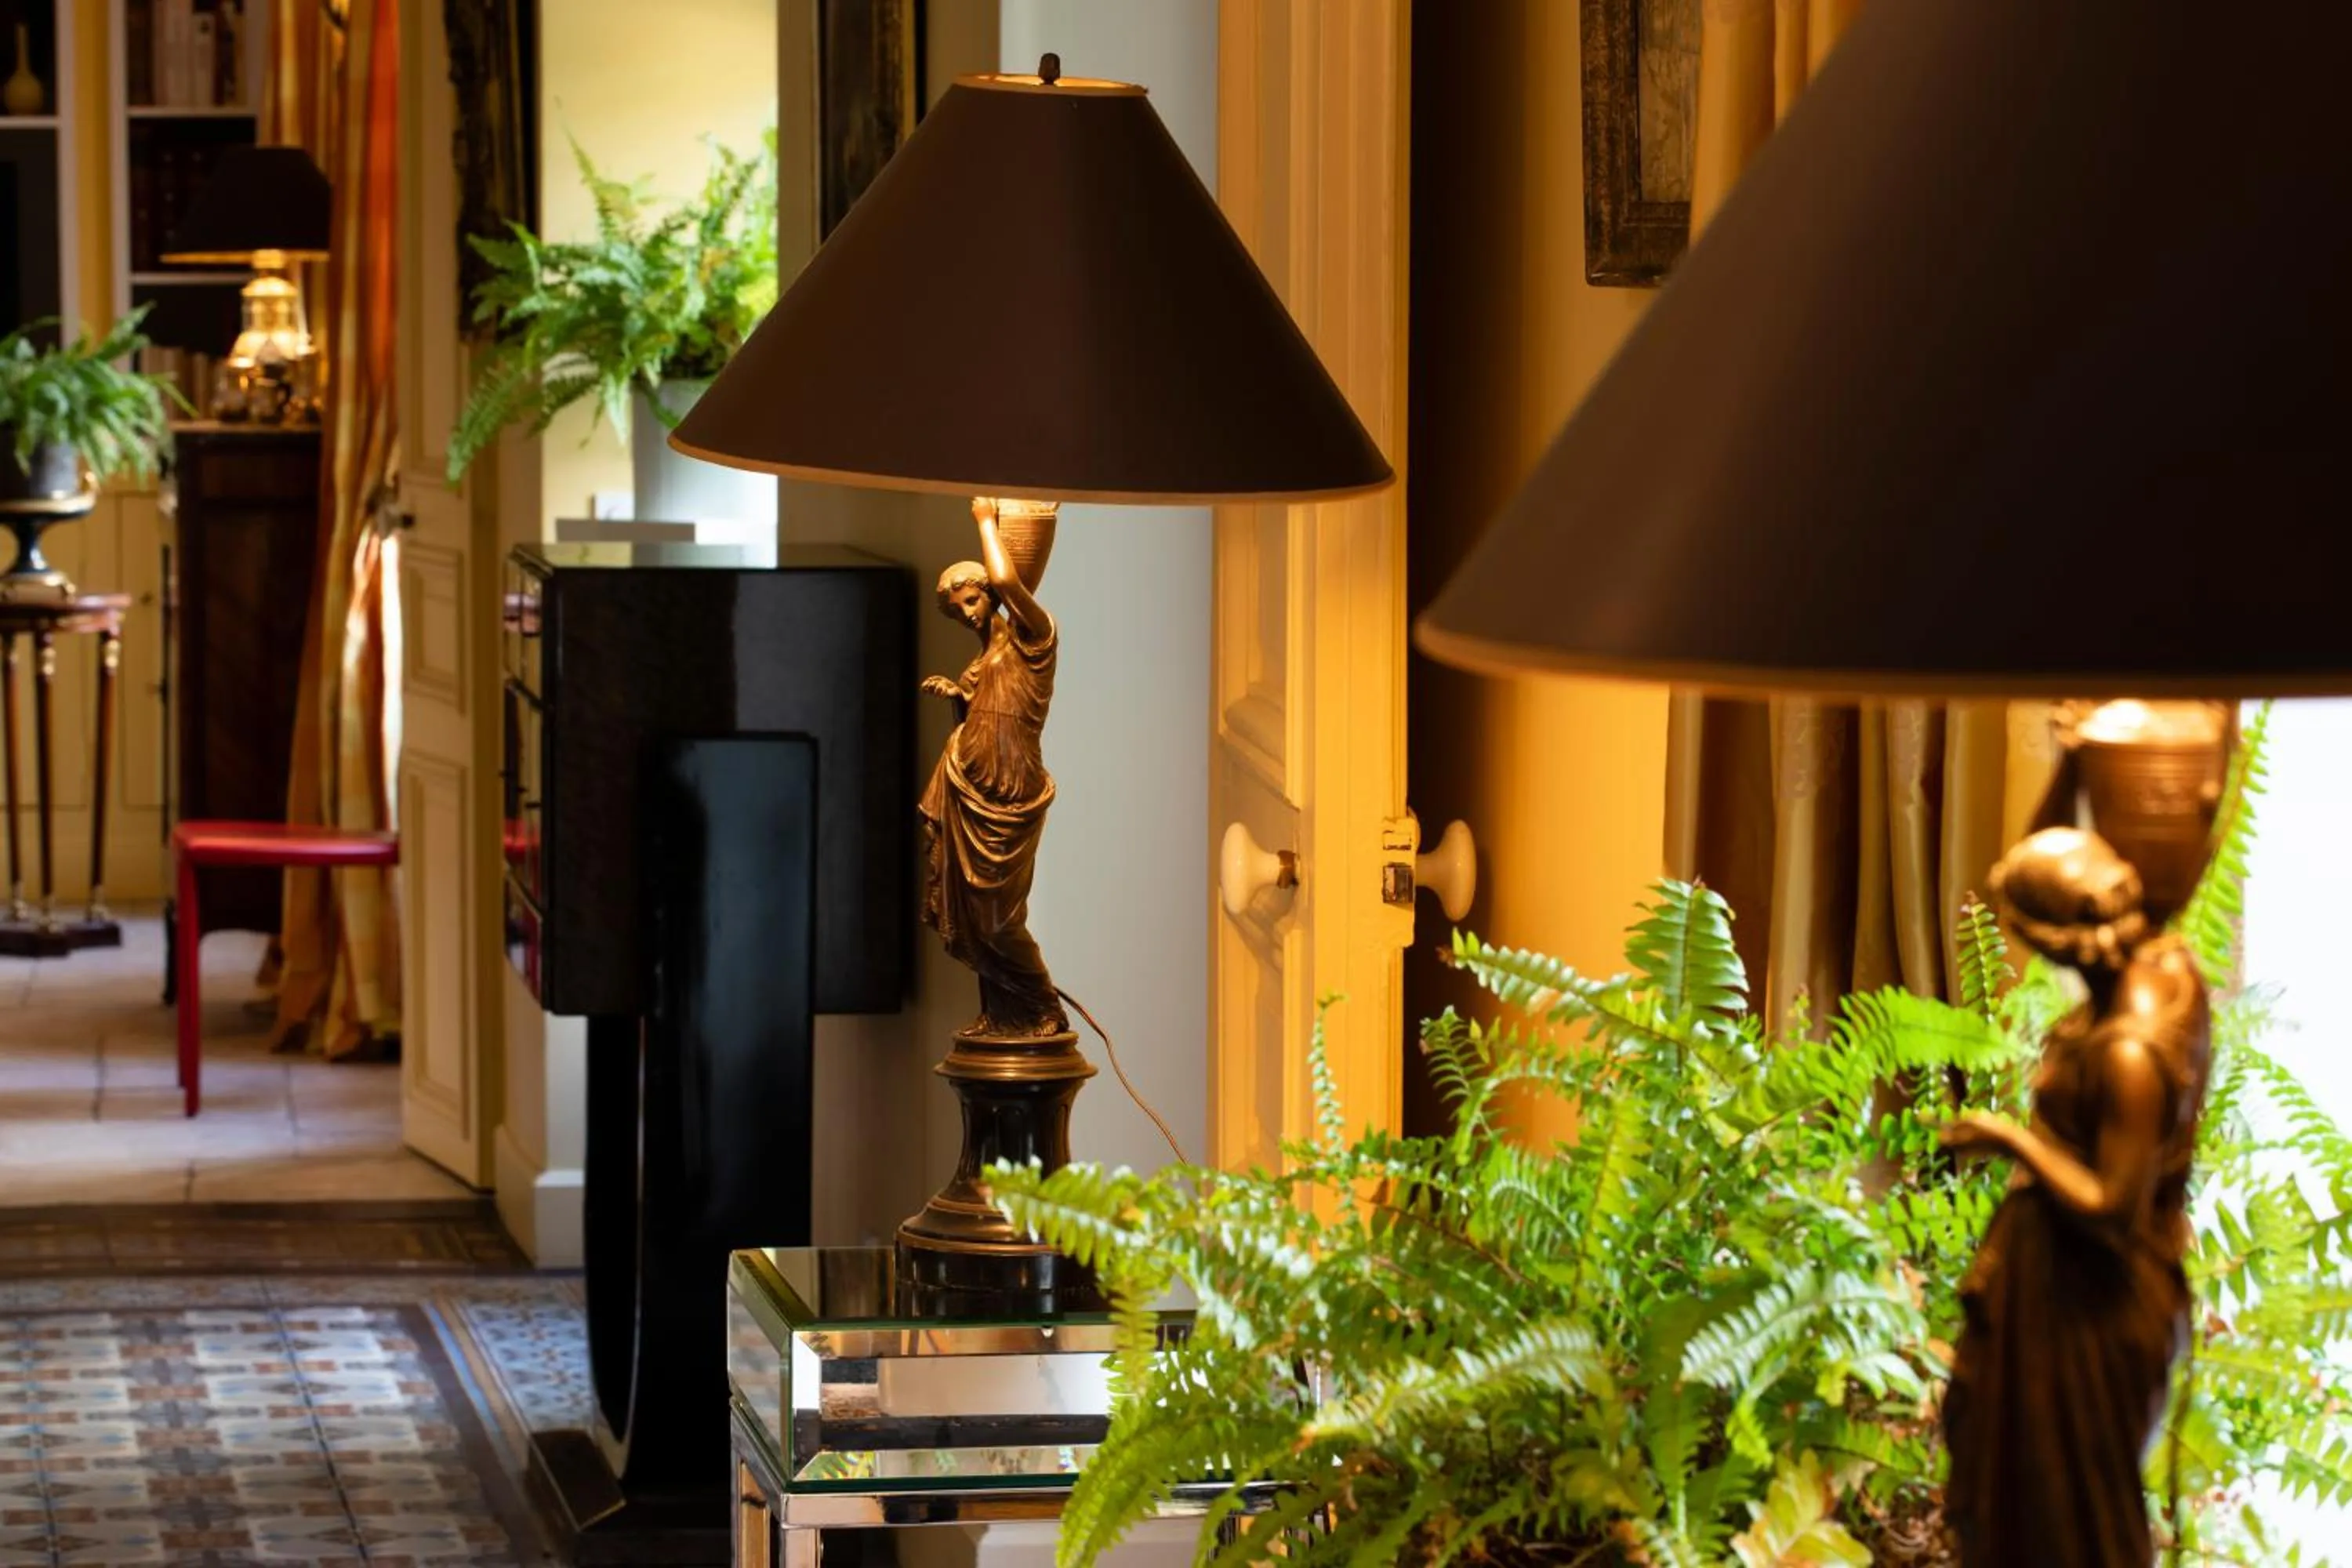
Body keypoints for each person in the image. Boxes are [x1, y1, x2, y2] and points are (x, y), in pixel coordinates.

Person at [1940, 814, 2212, 1566]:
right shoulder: (2166, 961)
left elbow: (2109, 1208)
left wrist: (2010, 1138)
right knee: (2033, 1506)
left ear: (2056, 941)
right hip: (2062, 1294)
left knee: (2072, 1517)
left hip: (2096, 1305)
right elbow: (2041, 852)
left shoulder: (2127, 1052)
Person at [917, 498, 1067, 1037]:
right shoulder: (979, 666)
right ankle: (1003, 1012)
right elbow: (983, 719)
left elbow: (1007, 583)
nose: (969, 612)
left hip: (1010, 795)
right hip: (968, 789)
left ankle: (1043, 1006)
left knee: (1001, 918)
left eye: (974, 599)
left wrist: (984, 519)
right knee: (973, 917)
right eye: (957, 608)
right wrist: (959, 697)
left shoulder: (1034, 639)